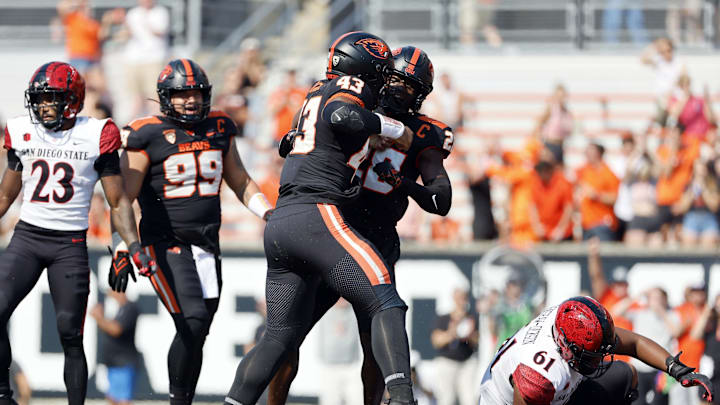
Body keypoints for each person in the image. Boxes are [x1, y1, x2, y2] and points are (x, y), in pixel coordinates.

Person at [224, 32, 417, 405]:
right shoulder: (348, 88)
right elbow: (342, 115)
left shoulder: (315, 92)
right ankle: (403, 398)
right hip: (318, 215)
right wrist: (395, 129)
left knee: (278, 337)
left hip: (283, 221)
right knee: (386, 300)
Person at [267, 45, 453, 405]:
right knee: (285, 338)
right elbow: (302, 140)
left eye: (410, 86)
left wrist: (405, 184)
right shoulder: (356, 108)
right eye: (395, 80)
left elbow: (440, 199)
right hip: (331, 226)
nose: (400, 90)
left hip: (377, 237)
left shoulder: (426, 133)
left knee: (376, 346)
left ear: (422, 94)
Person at [117, 58, 273, 404]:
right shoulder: (147, 133)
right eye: (181, 94)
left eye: (196, 93)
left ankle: (183, 398)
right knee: (192, 319)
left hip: (206, 245)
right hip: (165, 242)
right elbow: (122, 199)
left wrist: (267, 211)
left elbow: (241, 180)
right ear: (164, 97)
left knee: (198, 330)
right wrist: (123, 245)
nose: (190, 100)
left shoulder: (219, 126)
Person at [0, 61, 152, 405]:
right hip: (27, 237)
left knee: (71, 333)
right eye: (39, 99)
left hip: (68, 243)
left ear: (72, 100)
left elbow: (117, 201)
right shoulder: (23, 130)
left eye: (51, 99)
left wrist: (129, 247)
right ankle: (2, 395)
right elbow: (6, 195)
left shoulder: (96, 133)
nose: (42, 106)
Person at [478, 296, 714, 405]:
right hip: (515, 400)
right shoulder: (539, 376)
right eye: (591, 354)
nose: (599, 358)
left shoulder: (575, 327)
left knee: (624, 374)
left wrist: (678, 370)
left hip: (561, 390)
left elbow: (635, 344)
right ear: (567, 349)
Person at [616, 288, 682, 405]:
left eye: (658, 298)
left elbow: (676, 332)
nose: (654, 301)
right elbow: (617, 311)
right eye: (652, 297)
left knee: (659, 402)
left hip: (661, 369)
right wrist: (637, 296)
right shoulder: (640, 313)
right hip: (640, 367)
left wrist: (661, 312)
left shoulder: (672, 314)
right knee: (637, 401)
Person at [118, 0, 169, 117]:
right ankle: (134, 122)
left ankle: (154, 120)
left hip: (154, 58)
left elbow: (160, 31)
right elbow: (128, 34)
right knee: (136, 95)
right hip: (133, 59)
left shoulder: (161, 12)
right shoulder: (133, 13)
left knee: (154, 94)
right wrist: (123, 23)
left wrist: (144, 21)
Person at [90, 291, 140, 405]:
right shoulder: (120, 309)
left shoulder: (130, 308)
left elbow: (116, 330)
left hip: (124, 362)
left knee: (123, 400)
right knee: (112, 398)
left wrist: (98, 318)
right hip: (113, 363)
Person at [431, 288, 479, 405]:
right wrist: (452, 333)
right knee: (446, 399)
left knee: (469, 399)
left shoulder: (471, 318)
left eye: (463, 297)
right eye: (459, 298)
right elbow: (436, 341)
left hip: (466, 362)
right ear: (454, 299)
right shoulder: (444, 318)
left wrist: (469, 334)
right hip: (447, 362)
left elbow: (478, 341)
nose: (461, 301)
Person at [576, 143, 621, 241]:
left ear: (598, 153)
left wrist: (596, 195)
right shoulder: (585, 171)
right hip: (586, 224)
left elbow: (614, 198)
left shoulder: (608, 173)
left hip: (602, 223)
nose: (587, 154)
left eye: (590, 151)